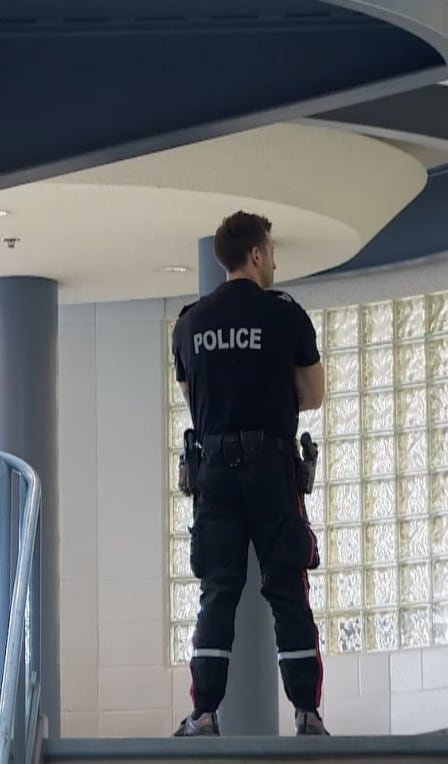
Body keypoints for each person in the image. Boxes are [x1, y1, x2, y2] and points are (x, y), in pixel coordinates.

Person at [170, 210, 329, 737]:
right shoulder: (284, 314)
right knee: (286, 586)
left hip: (214, 471)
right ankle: (306, 713)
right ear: (257, 255)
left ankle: (204, 713)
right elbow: (313, 395)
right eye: (272, 253)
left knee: (218, 590)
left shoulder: (190, 323)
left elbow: (194, 399)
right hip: (271, 468)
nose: (274, 262)